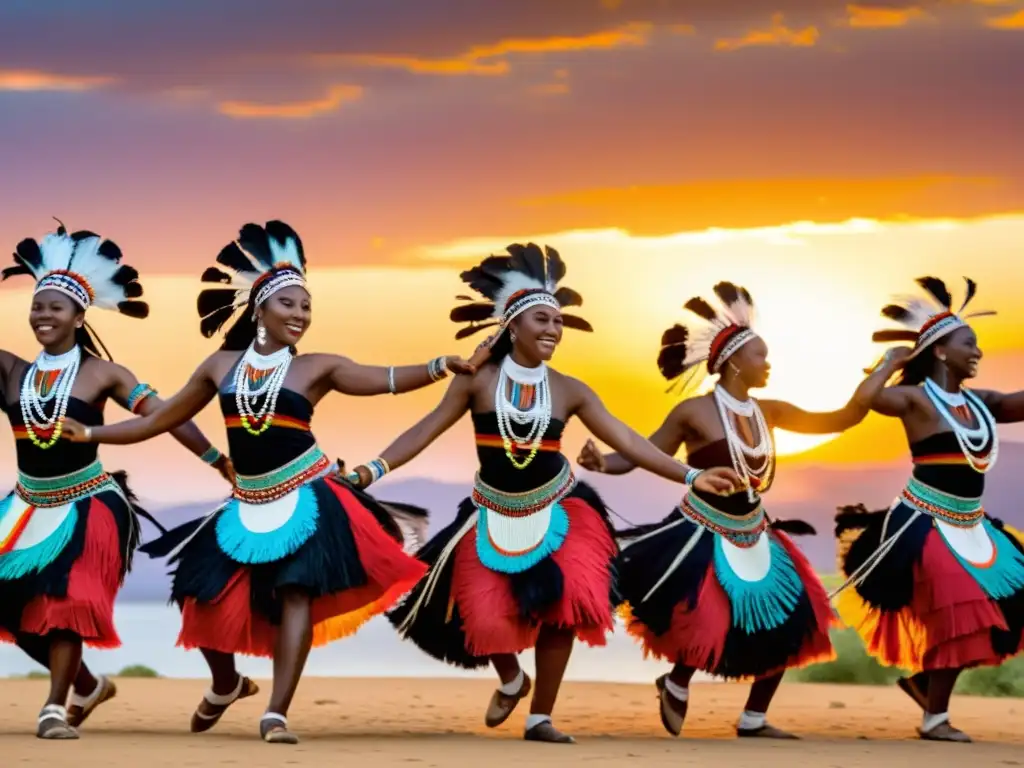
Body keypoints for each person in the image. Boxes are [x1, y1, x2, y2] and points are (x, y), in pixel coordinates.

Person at [63, 220, 473, 744]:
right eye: (289, 304)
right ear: (259, 308)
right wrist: (92, 431)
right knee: (194, 589)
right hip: (246, 501)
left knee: (295, 593)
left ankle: (276, 712)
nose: (300, 315)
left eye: (306, 306)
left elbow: (386, 379)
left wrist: (441, 366)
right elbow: (156, 420)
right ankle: (226, 683)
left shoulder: (319, 368)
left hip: (309, 495)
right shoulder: (219, 366)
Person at [346, 243, 741, 744]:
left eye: (558, 322)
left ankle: (541, 716)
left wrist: (690, 476)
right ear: (513, 326)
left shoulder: (571, 389)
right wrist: (368, 471)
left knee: (567, 603)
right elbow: (423, 432)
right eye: (541, 320)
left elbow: (628, 441)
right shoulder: (477, 383)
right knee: (480, 608)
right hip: (490, 508)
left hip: (560, 506)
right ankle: (512, 677)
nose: (553, 330)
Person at [577, 281, 908, 739]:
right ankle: (676, 681)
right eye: (760, 356)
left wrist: (886, 367)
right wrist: (602, 463)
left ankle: (754, 717)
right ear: (733, 361)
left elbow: (846, 416)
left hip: (754, 528)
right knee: (704, 614)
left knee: (795, 616)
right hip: (699, 528)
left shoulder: (769, 411)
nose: (768, 363)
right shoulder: (691, 412)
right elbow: (641, 454)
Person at [0, 221, 231, 739]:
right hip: (25, 504)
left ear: (80, 317)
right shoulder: (10, 372)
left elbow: (168, 414)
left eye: (56, 307)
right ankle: (86, 685)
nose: (43, 315)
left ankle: (54, 709)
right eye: (37, 305)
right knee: (12, 606)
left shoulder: (106, 375)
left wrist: (215, 456)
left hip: (89, 504)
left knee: (69, 601)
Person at [833, 276, 1024, 743]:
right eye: (969, 344)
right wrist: (889, 362)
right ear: (940, 351)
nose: (977, 351)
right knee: (961, 609)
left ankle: (923, 685)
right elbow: (868, 400)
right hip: (924, 522)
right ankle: (935, 719)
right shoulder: (915, 399)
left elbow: (1016, 403)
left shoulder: (981, 403)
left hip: (972, 523)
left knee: (1012, 602)